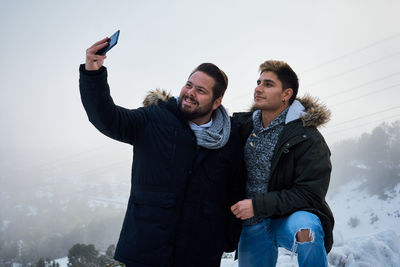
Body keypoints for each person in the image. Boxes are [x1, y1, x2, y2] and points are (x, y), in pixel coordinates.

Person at [79, 38, 245, 267]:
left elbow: (235, 190)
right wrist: (93, 74)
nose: (190, 93)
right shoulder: (153, 119)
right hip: (147, 250)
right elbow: (107, 118)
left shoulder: (230, 138)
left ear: (217, 102)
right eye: (189, 85)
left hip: (200, 254)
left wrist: (226, 239)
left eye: (200, 90)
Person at [231, 60, 334, 267]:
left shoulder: (308, 137)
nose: (258, 89)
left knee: (308, 231)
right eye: (258, 82)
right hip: (253, 221)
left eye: (268, 84)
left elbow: (310, 193)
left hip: (290, 217)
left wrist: (258, 205)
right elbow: (207, 121)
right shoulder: (242, 126)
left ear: (286, 94)